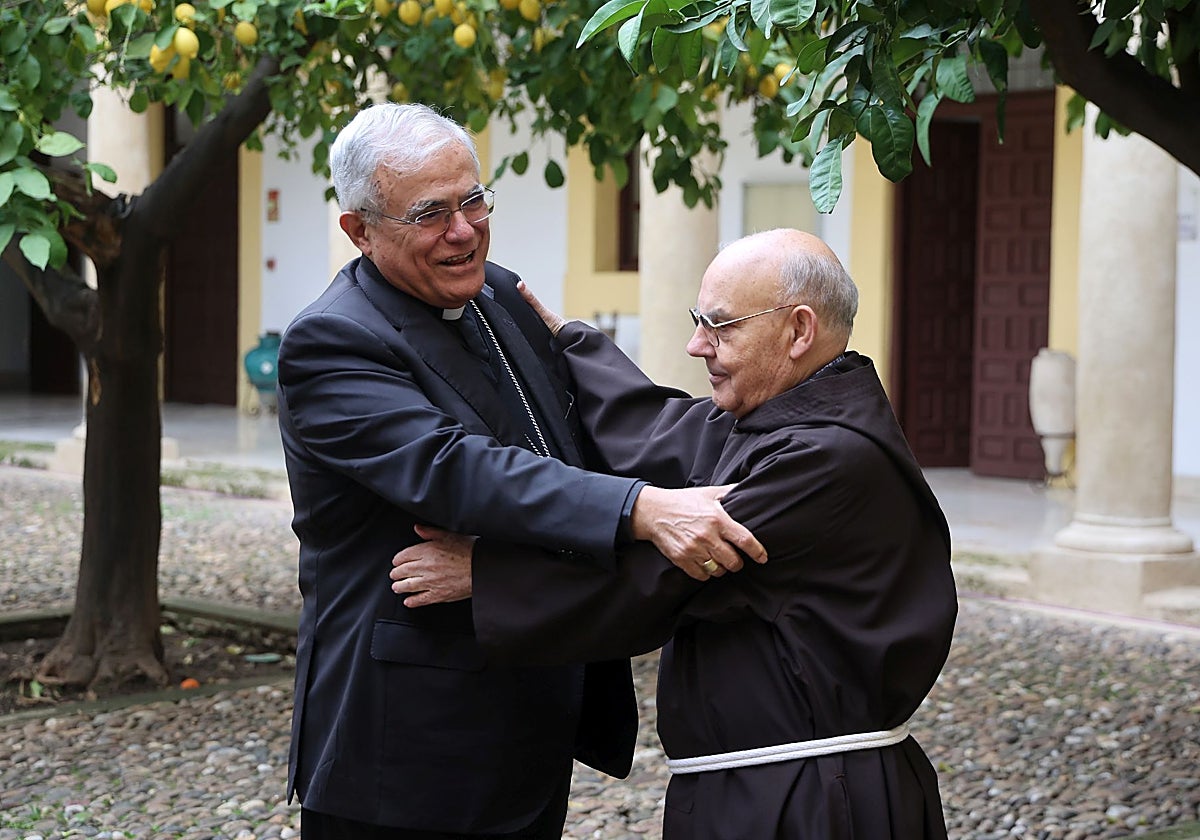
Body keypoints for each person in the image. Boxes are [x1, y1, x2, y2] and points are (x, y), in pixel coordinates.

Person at [276, 102, 765, 839]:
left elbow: (567, 437)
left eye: (473, 200)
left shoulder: (496, 294)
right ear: (360, 230)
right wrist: (642, 509)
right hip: (404, 750)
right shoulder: (332, 340)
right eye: (431, 213)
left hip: (525, 720)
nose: (464, 230)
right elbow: (455, 469)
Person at [390, 228, 958, 839]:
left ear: (798, 331)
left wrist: (488, 575)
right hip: (766, 786)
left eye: (720, 326)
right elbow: (664, 430)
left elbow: (656, 581)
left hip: (811, 800)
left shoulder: (827, 456)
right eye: (697, 321)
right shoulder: (784, 415)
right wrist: (571, 345)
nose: (696, 345)